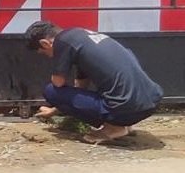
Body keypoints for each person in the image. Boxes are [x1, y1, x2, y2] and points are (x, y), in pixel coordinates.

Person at [25, 21, 164, 143]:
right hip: (151, 101)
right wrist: (55, 110)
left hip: (124, 108)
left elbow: (58, 83)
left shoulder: (62, 41)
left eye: (43, 52)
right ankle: (123, 123)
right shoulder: (81, 36)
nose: (48, 56)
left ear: (45, 43)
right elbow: (80, 88)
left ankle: (114, 128)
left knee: (51, 91)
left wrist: (56, 101)